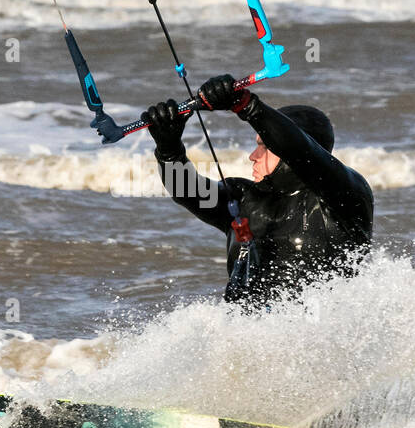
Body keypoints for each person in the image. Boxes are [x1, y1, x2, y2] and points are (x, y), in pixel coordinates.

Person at [142, 74, 373, 304]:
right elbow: (187, 192)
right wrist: (169, 151)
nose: (253, 156)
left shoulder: (344, 197)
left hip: (320, 334)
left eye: (264, 146)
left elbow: (303, 151)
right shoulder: (242, 199)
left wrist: (246, 105)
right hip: (249, 335)